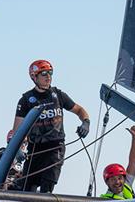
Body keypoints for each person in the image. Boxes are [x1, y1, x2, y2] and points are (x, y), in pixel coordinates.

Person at [13, 59, 90, 193]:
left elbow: (79, 110)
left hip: (55, 147)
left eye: (50, 73)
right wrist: (17, 149)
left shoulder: (58, 95)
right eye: (43, 73)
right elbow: (18, 129)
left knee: (46, 188)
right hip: (35, 149)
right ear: (34, 76)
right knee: (26, 188)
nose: (48, 76)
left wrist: (86, 122)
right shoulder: (26, 100)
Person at [101, 125, 135, 200]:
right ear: (107, 182)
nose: (117, 182)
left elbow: (133, 161)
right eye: (113, 179)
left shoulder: (126, 185)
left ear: (124, 179)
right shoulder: (103, 201)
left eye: (120, 178)